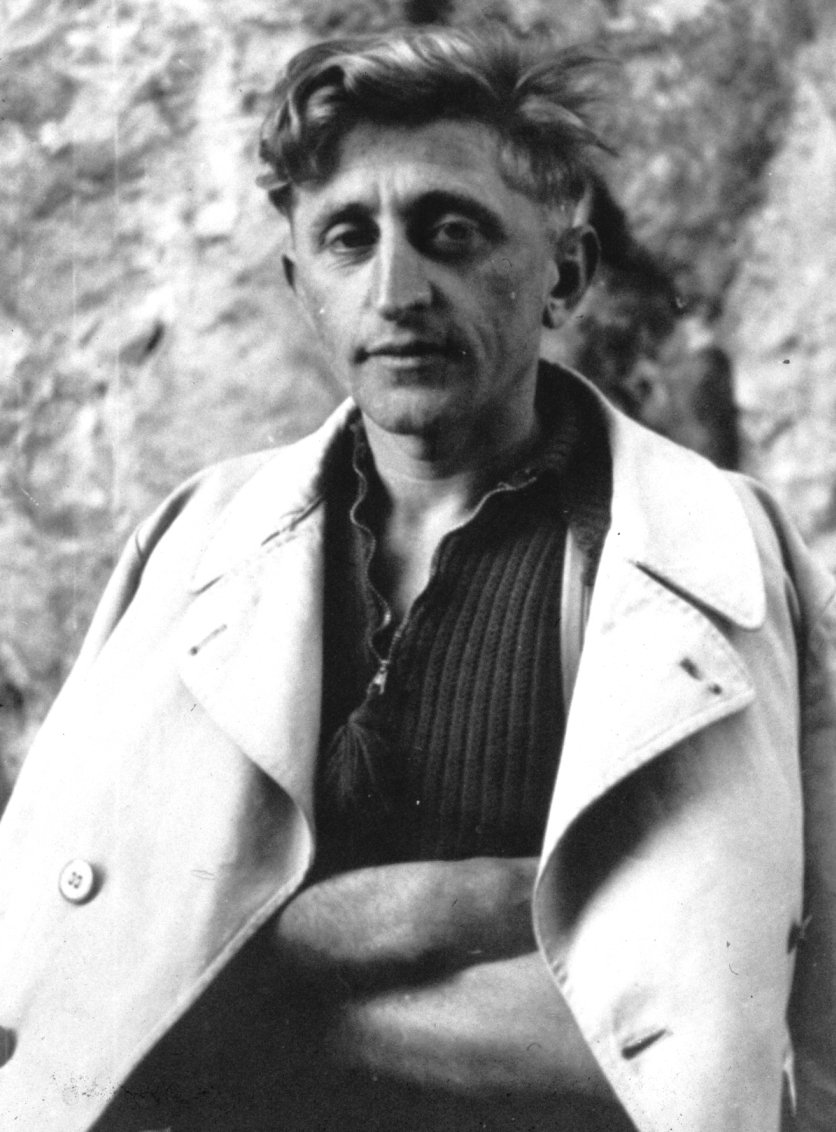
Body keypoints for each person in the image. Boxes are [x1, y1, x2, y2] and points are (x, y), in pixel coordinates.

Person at [0, 24, 834, 1132]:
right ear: (301, 282)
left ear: (564, 274)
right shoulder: (191, 544)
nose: (397, 289)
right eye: (349, 239)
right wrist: (458, 910)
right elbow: (70, 992)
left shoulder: (720, 554)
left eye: (451, 233)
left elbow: (704, 1043)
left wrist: (266, 963)